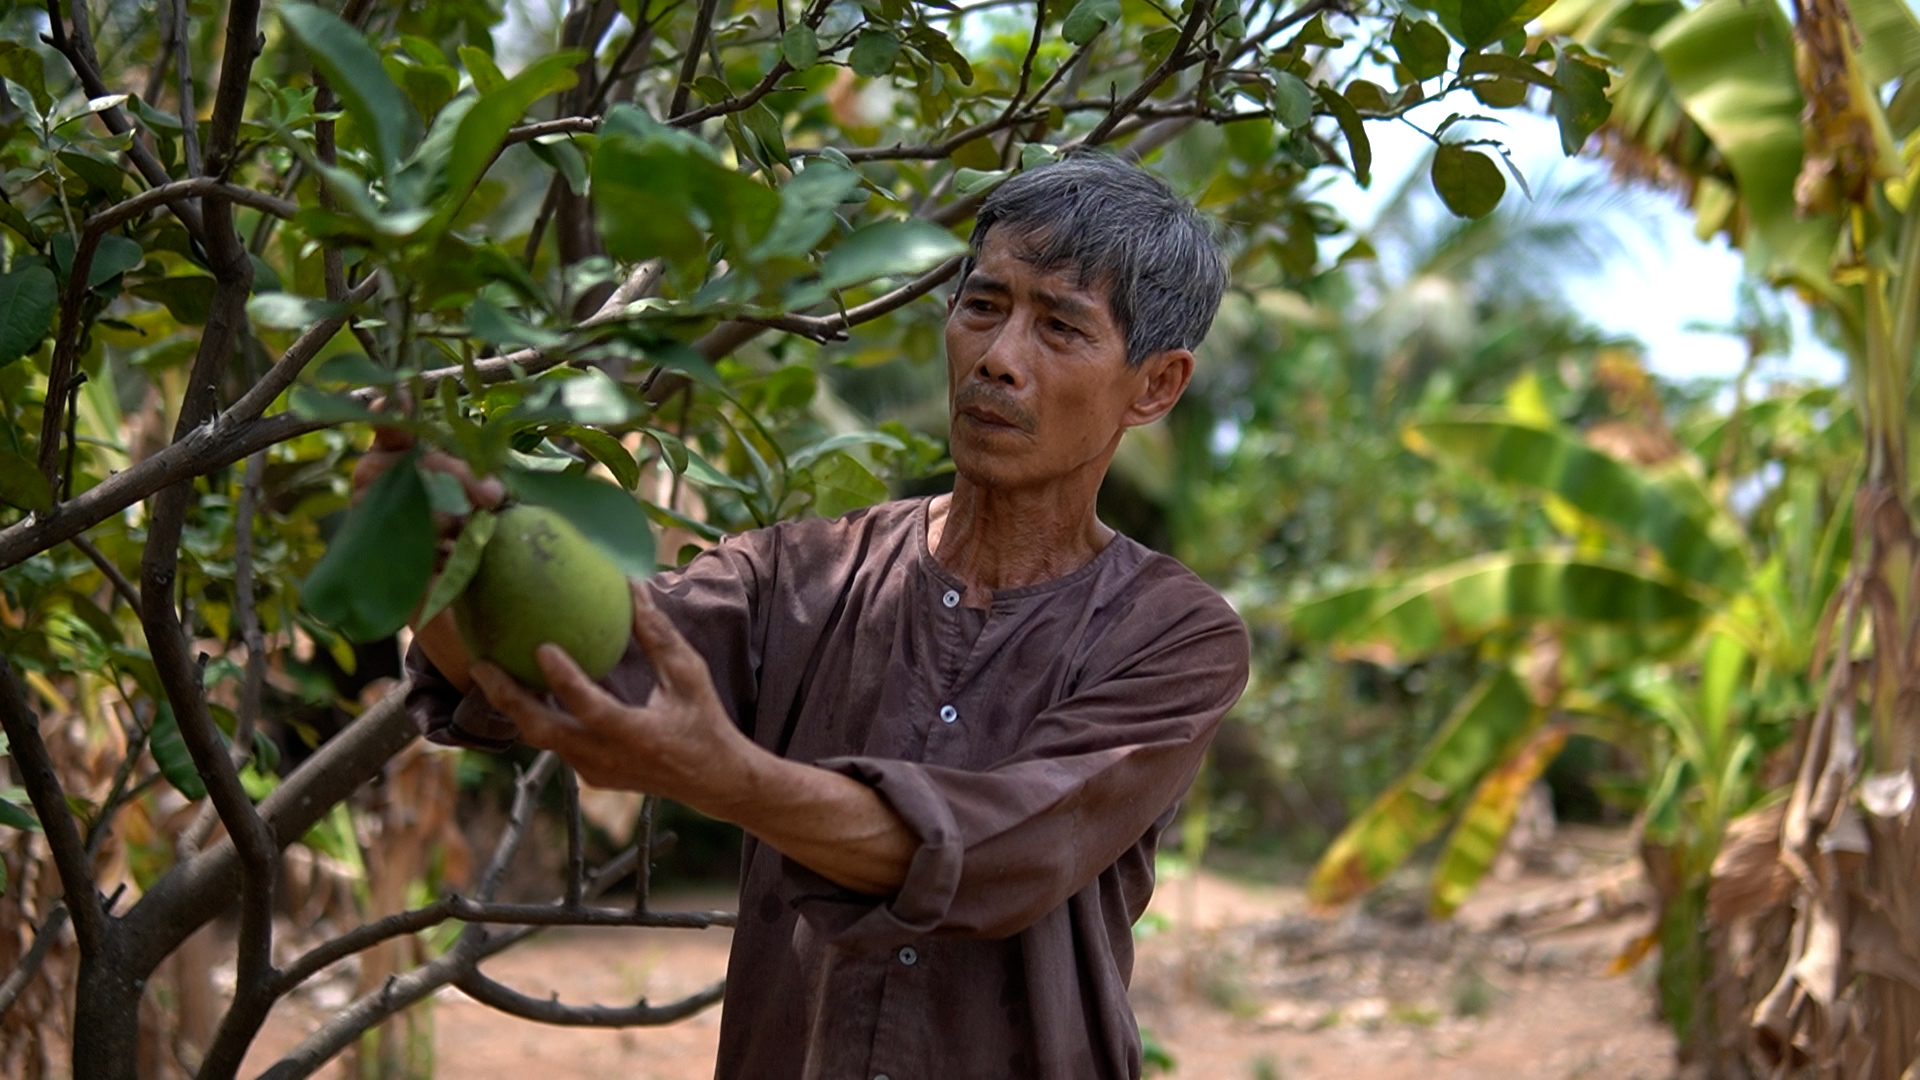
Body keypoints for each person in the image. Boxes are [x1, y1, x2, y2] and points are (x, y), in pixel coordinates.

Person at [393, 150, 1249, 1080]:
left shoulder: (1175, 636)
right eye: (984, 306)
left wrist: (726, 778)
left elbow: (1003, 850)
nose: (1000, 360)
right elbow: (551, 668)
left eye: (1061, 327)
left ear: (1156, 386)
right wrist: (433, 551)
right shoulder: (795, 573)